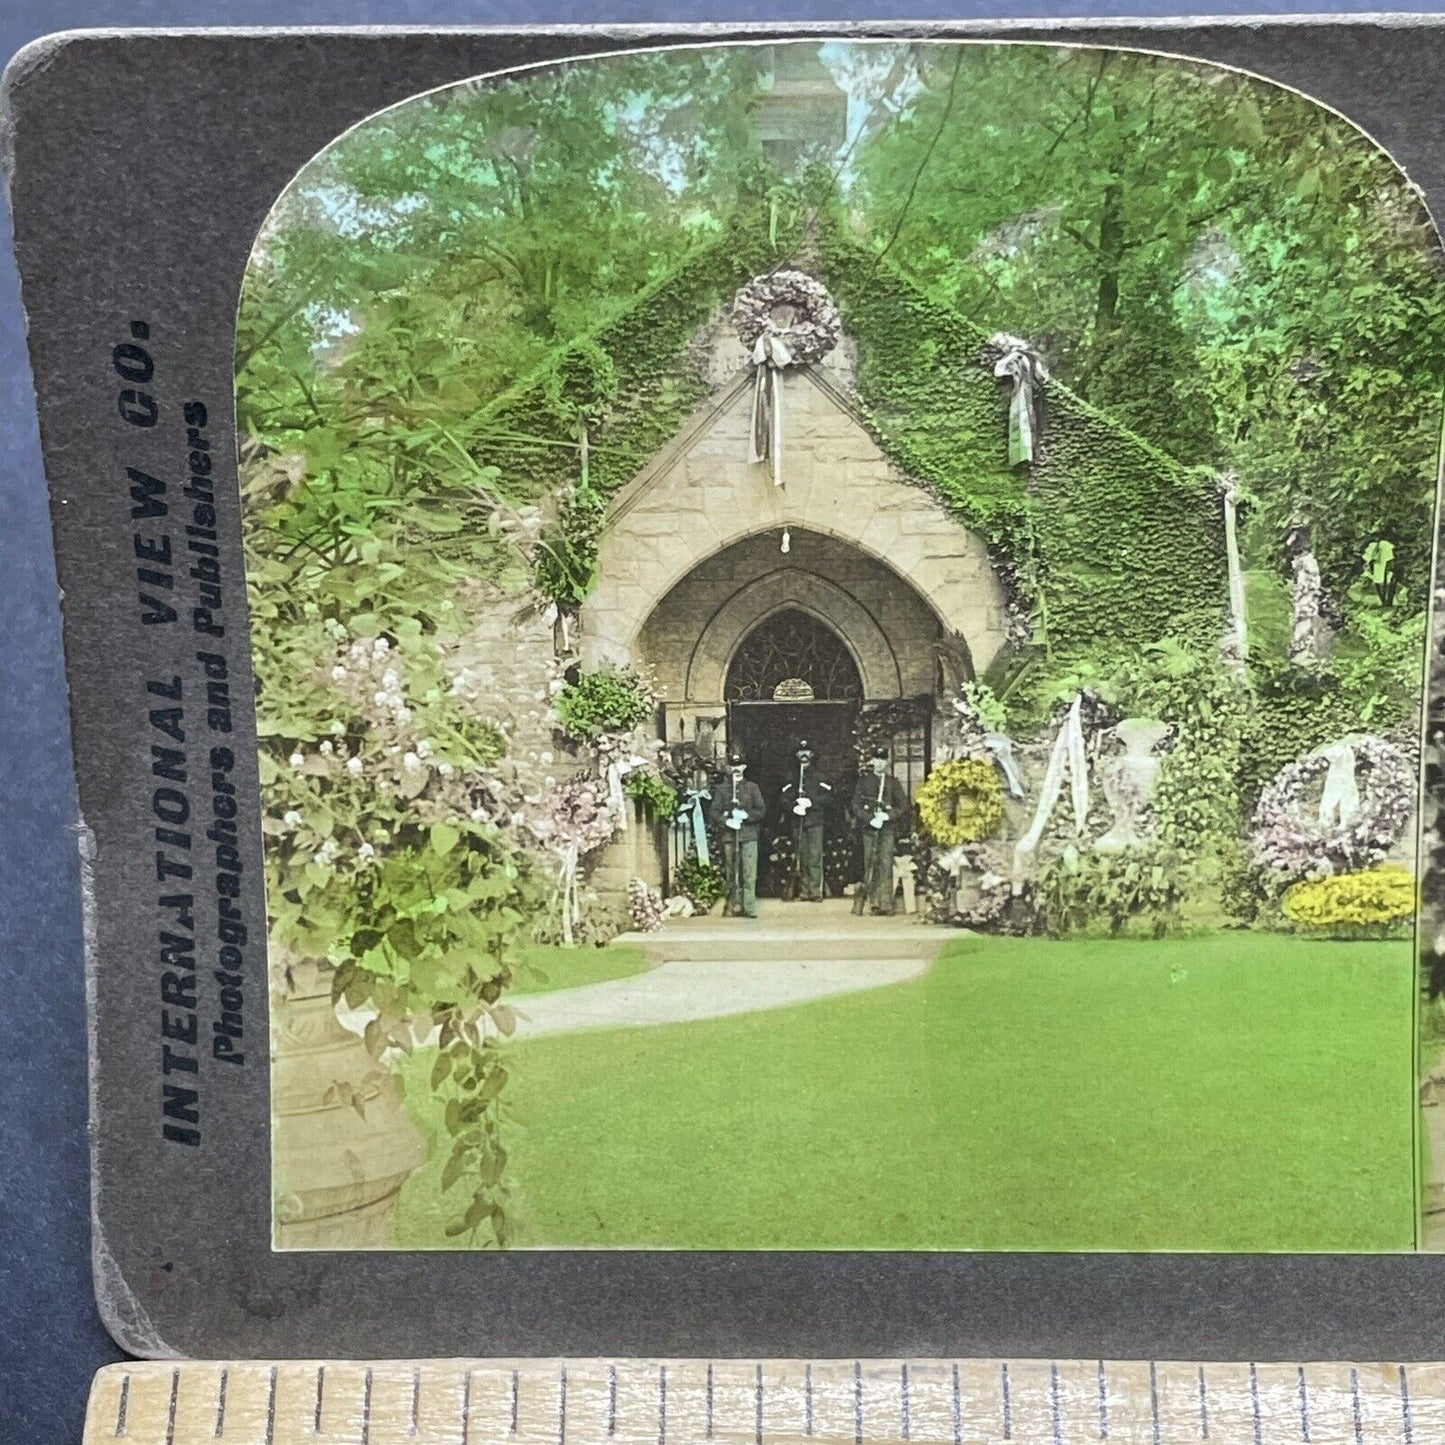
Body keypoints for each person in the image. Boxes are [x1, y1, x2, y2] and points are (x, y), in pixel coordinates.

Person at [849, 745, 910, 916]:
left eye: (882, 760)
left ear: (887, 762)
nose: (879, 763)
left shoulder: (893, 782)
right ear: (872, 761)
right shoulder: (864, 782)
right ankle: (873, 902)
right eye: (876, 759)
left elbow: (903, 805)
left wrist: (888, 816)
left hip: (887, 830)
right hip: (870, 829)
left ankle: (885, 903)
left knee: (885, 863)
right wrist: (870, 818)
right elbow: (856, 805)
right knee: (871, 864)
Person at [708, 751, 766, 918]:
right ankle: (734, 904)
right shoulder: (721, 789)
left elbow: (761, 810)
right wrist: (725, 820)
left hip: (748, 835)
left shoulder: (752, 787)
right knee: (732, 871)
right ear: (728, 768)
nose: (736, 769)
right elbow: (714, 811)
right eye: (733, 766)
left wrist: (746, 816)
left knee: (749, 872)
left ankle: (749, 906)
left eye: (739, 765)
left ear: (744, 767)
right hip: (729, 836)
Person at [779, 737, 831, 901]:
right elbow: (783, 797)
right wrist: (793, 806)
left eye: (806, 751)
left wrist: (812, 803)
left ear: (812, 753)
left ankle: (815, 891)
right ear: (797, 754)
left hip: (815, 821)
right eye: (801, 751)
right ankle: (804, 891)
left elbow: (829, 797)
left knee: (815, 857)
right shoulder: (791, 776)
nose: (804, 754)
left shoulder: (819, 775)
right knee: (801, 856)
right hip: (797, 822)